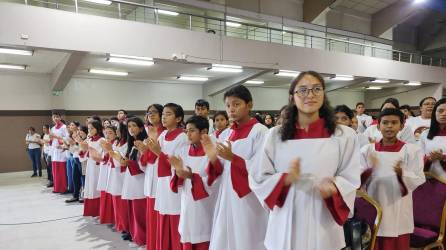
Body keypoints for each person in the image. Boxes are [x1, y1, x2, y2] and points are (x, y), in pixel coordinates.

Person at [250, 71, 360, 250]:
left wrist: (334, 188)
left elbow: (351, 175)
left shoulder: (344, 135)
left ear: (324, 94)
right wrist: (283, 179)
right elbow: (258, 177)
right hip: (286, 216)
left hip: (324, 215)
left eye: (316, 89)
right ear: (292, 97)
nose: (310, 95)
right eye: (302, 90)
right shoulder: (275, 136)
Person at [208, 85, 269, 250]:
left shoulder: (260, 132)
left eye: (236, 104)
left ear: (249, 105)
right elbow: (220, 168)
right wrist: (212, 159)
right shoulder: (227, 133)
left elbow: (262, 168)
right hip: (227, 192)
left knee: (247, 235)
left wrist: (233, 158)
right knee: (226, 233)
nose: (231, 109)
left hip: (247, 196)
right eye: (228, 105)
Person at [360, 108, 425, 249]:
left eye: (394, 122)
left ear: (401, 126)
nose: (389, 126)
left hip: (399, 207)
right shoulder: (367, 150)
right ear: (378, 126)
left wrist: (402, 174)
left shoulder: (412, 150)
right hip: (373, 203)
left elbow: (420, 178)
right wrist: (369, 170)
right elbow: (356, 180)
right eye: (385, 122)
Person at [169, 115, 222, 250]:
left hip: (206, 203)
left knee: (204, 235)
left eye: (192, 130)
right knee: (188, 232)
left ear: (203, 132)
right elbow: (178, 176)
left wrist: (192, 176)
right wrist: (179, 173)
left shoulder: (213, 150)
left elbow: (215, 180)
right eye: (186, 131)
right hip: (188, 200)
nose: (188, 134)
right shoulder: (183, 150)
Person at [145, 103, 188, 250]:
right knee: (164, 214)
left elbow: (179, 164)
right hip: (162, 181)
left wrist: (158, 152)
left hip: (175, 183)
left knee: (175, 215)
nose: (163, 117)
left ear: (179, 118)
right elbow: (155, 158)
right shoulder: (163, 134)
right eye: (163, 114)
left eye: (168, 114)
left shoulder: (182, 137)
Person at [138, 104, 164, 250]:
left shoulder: (164, 132)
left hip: (161, 175)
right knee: (151, 212)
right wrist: (143, 151)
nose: (151, 115)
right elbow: (148, 157)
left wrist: (147, 151)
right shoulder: (150, 132)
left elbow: (161, 155)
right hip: (151, 173)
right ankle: (152, 243)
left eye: (154, 112)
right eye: (148, 113)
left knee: (158, 212)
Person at [79, 120, 105, 217]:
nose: (89, 130)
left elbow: (103, 154)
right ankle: (92, 210)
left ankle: (99, 211)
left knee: (96, 186)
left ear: (98, 129)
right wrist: (82, 151)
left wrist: (91, 151)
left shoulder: (102, 140)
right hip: (90, 165)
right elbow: (84, 155)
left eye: (92, 128)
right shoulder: (89, 140)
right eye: (89, 128)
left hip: (98, 166)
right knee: (90, 185)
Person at [420, 98, 446, 179]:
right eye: (440, 111)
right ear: (434, 113)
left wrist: (443, 158)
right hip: (429, 177)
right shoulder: (425, 134)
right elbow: (419, 158)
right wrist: (429, 158)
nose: (444, 114)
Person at [49, 113, 70, 193]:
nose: (55, 118)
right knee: (55, 171)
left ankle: (63, 188)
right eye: (54, 117)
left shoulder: (64, 127)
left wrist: (57, 137)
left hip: (62, 151)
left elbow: (67, 138)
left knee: (62, 171)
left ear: (60, 117)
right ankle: (57, 187)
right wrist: (51, 138)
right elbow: (51, 139)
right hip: (55, 150)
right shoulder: (53, 128)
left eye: (57, 117)